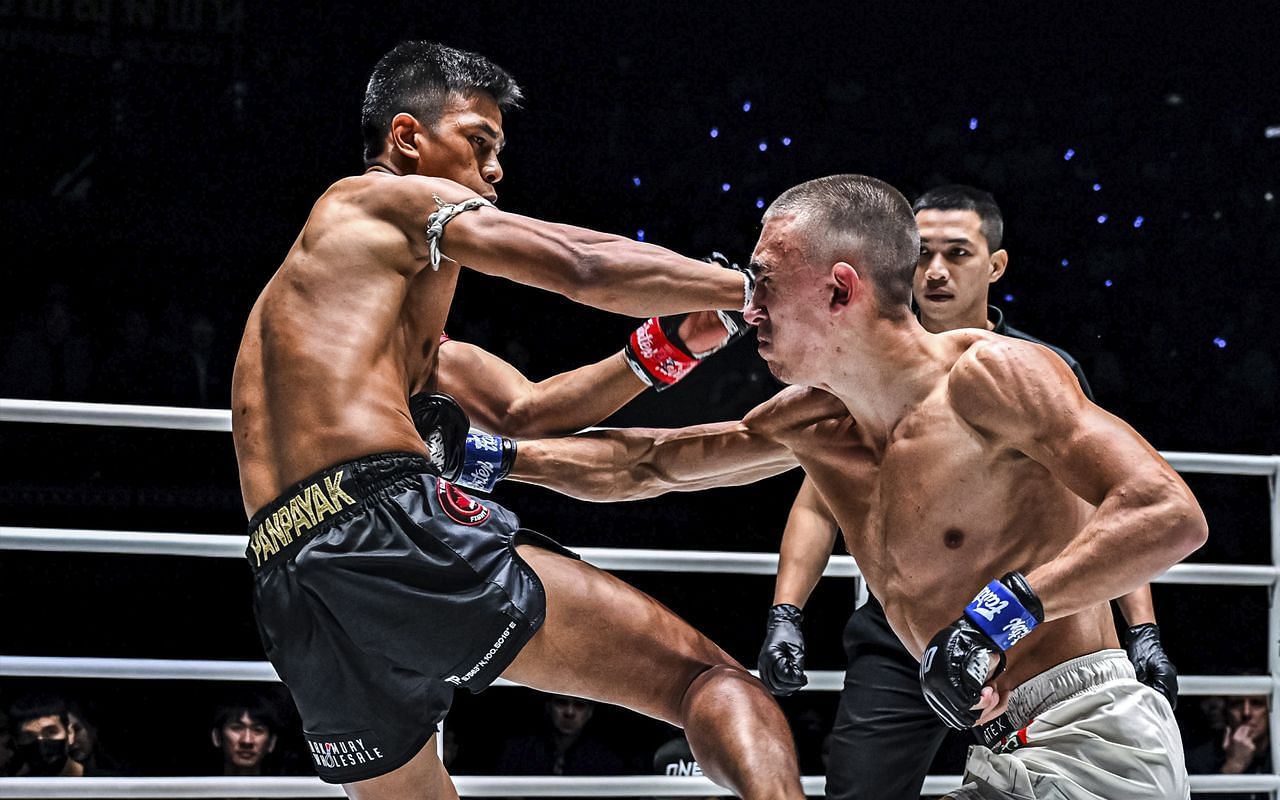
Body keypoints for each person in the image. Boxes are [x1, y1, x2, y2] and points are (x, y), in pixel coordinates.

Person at [507, 174, 1208, 798]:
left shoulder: (990, 378)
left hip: (1091, 737)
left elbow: (1169, 512)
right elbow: (647, 465)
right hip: (1000, 754)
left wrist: (996, 619)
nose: (748, 308)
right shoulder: (812, 423)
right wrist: (495, 457)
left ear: (840, 288)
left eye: (765, 283)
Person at [231, 40, 803, 800]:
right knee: (710, 681)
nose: (494, 171)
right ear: (406, 138)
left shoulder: (331, 314)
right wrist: (757, 291)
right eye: (478, 143)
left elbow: (527, 409)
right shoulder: (369, 199)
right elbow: (580, 265)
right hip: (380, 518)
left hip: (287, 573)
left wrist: (677, 341)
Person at [755, 185, 1179, 800]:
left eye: (956, 253)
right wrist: (786, 612)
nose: (935, 271)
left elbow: (1119, 511)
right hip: (903, 631)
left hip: (1022, 634)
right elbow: (816, 501)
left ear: (995, 265)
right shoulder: (844, 386)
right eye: (922, 253)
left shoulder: (1027, 370)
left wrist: (1141, 630)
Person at [495, 694, 627, 776]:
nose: (569, 712)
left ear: (590, 713)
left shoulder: (604, 758)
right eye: (561, 702)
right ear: (548, 706)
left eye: (579, 705)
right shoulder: (519, 750)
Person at [1186, 693, 1271, 800]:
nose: (1246, 713)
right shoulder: (1200, 759)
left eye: (1257, 703)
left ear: (1270, 710)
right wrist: (1233, 767)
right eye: (1237, 704)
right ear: (1226, 710)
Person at [6, 693, 89, 777]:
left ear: (70, 733)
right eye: (28, 736)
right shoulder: (13, 786)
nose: (40, 742)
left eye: (51, 732)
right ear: (16, 742)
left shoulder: (98, 781)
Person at [209, 694, 282, 776]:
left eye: (258, 730)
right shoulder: (196, 787)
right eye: (237, 728)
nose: (247, 740)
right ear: (217, 737)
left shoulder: (290, 788)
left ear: (272, 742)